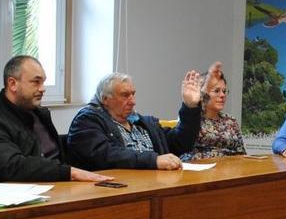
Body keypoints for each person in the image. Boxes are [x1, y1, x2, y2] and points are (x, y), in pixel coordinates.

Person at [0, 55, 110, 183]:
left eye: (43, 82)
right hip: (19, 197)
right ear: (12, 84)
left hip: (58, 187)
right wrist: (69, 172)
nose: (43, 88)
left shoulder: (40, 115)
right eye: (36, 82)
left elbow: (59, 158)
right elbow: (13, 166)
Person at [66, 70, 202, 170]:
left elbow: (181, 143)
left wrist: (190, 107)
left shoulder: (143, 123)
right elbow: (106, 155)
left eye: (133, 94)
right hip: (114, 189)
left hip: (155, 184)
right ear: (105, 99)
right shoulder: (86, 121)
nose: (133, 101)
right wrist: (153, 160)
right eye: (125, 95)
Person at [184, 61, 246, 161]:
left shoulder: (231, 121)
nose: (222, 95)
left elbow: (242, 153)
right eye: (217, 91)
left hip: (232, 170)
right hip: (202, 171)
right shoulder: (192, 119)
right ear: (202, 93)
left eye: (224, 91)